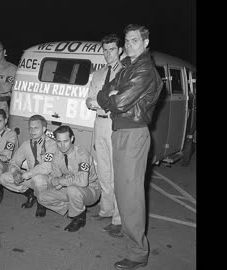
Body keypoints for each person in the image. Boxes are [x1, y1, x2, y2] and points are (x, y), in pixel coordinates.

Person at [97, 24, 163, 270]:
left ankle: (137, 253)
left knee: (131, 196)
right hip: (121, 131)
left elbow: (120, 102)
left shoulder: (144, 69)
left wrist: (112, 96)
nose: (131, 45)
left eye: (135, 40)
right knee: (123, 195)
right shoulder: (128, 68)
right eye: (128, 40)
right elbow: (105, 92)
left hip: (133, 133)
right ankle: (132, 243)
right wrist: (110, 94)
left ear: (145, 42)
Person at [85, 33, 124, 237]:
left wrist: (100, 102)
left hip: (115, 124)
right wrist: (99, 101)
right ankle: (106, 210)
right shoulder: (99, 73)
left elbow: (117, 101)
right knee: (103, 170)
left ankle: (118, 218)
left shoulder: (126, 72)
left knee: (117, 173)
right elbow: (89, 100)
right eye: (105, 50)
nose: (108, 54)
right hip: (99, 123)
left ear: (120, 50)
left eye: (112, 49)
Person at [37, 125, 101, 232]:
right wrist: (59, 181)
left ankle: (79, 217)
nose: (62, 145)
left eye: (65, 141)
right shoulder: (57, 155)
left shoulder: (81, 153)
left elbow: (83, 181)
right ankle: (72, 206)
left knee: (73, 189)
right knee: (42, 197)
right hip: (70, 187)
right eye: (59, 141)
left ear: (72, 139)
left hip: (91, 190)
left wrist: (62, 181)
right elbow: (54, 179)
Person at [0, 115, 58, 217]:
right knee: (4, 178)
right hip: (31, 177)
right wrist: (16, 172)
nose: (32, 131)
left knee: (38, 179)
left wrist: (27, 174)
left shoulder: (51, 144)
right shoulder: (27, 144)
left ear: (44, 129)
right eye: (30, 128)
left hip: (49, 180)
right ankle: (31, 194)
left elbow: (47, 167)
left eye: (36, 128)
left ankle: (42, 203)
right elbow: (13, 162)